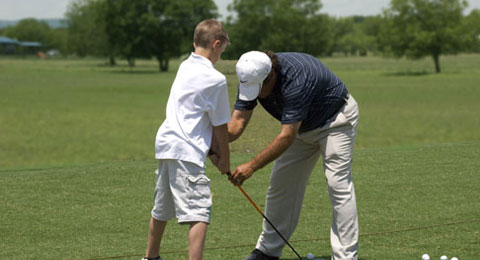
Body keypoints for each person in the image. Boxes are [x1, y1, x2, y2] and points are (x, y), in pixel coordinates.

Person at [228, 51, 360, 260]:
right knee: (281, 185)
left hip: (335, 121)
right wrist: (212, 141)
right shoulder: (251, 76)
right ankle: (267, 252)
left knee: (338, 186)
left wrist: (251, 166)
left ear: (271, 76)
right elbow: (236, 124)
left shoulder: (296, 81)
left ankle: (345, 257)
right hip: (301, 128)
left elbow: (287, 136)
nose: (256, 94)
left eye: (259, 89)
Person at [142, 19, 231, 260]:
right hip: (187, 149)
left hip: (166, 146)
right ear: (216, 44)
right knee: (200, 211)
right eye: (222, 49)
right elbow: (220, 126)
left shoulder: (184, 66)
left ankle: (150, 257)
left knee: (162, 207)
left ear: (195, 43)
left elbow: (198, 114)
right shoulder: (216, 79)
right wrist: (225, 160)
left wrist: (211, 149)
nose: (221, 55)